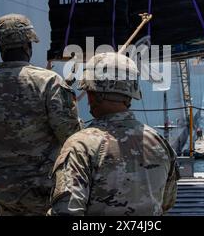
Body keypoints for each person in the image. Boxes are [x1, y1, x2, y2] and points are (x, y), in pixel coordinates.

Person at [0, 14, 81, 216]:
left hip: (4, 190)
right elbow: (71, 136)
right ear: (27, 46)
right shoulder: (49, 82)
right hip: (44, 191)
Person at [48, 52, 180, 216]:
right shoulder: (159, 142)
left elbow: (66, 211)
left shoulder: (80, 145)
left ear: (92, 95)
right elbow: (167, 202)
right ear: (130, 96)